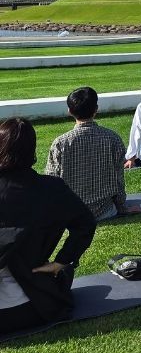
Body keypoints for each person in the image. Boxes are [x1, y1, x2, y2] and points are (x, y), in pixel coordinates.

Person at [0, 118, 96, 332]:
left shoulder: (51, 189)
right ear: (32, 150)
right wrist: (62, 261)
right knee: (65, 276)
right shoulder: (52, 189)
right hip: (31, 307)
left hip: (24, 303)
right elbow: (85, 223)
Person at [46, 87, 138, 221]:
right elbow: (118, 180)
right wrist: (123, 207)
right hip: (104, 211)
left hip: (70, 214)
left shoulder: (60, 143)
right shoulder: (112, 138)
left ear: (70, 111)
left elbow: (52, 183)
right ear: (96, 109)